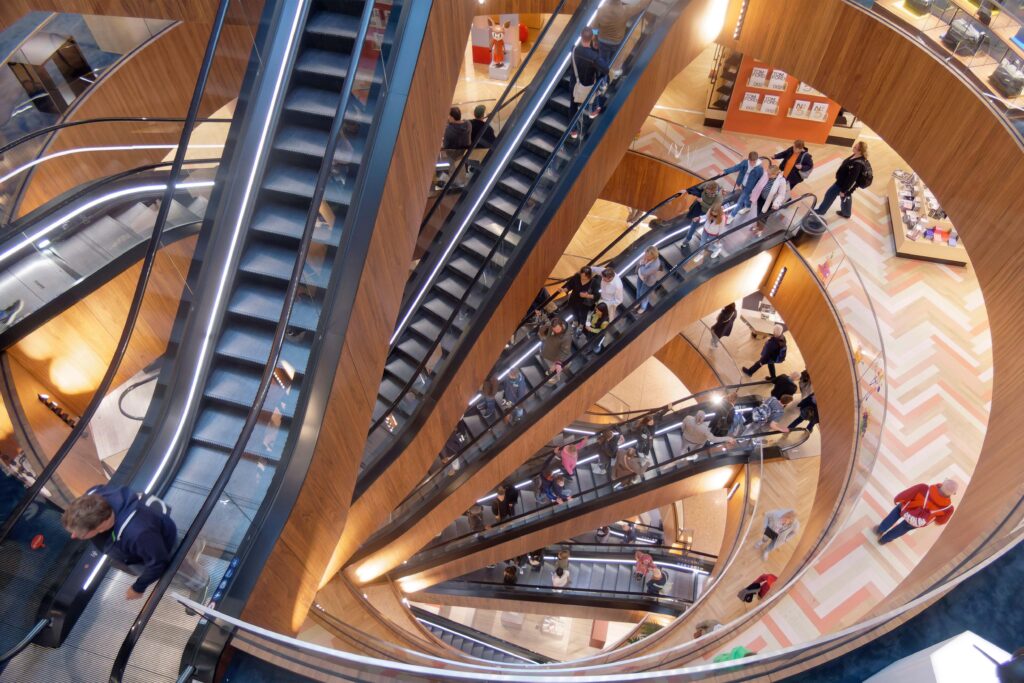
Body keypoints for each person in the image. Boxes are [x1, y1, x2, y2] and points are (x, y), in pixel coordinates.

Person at [61, 485, 209, 601]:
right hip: (151, 538)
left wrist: (138, 588)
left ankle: (200, 583)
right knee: (170, 549)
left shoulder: (137, 533)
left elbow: (158, 563)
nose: (73, 536)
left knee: (178, 569)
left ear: (102, 524)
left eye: (81, 534)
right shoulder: (94, 495)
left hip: (159, 546)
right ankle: (193, 546)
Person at [875, 479, 958, 544]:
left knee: (896, 513)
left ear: (942, 483)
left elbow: (906, 494)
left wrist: (897, 499)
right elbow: (940, 521)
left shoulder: (923, 488)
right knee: (903, 529)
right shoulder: (948, 509)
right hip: (917, 521)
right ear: (954, 493)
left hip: (906, 509)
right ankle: (884, 540)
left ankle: (880, 529)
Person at [568, 28, 609, 139]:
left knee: (573, 106)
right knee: (596, 89)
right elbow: (606, 69)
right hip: (588, 85)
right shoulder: (594, 56)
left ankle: (573, 131)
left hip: (575, 84)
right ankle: (593, 110)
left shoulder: (574, 50)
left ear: (581, 37)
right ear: (591, 38)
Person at [815, 140, 871, 218]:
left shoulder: (857, 165)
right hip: (842, 182)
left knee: (829, 194)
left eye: (855, 147)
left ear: (859, 151)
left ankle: (821, 211)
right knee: (846, 197)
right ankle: (847, 213)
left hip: (842, 184)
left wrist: (843, 190)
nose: (853, 147)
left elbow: (851, 179)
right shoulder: (855, 155)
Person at [592, 0, 652, 65]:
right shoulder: (625, 10)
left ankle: (602, 70)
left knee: (603, 59)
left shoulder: (601, 10)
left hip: (602, 41)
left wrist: (595, 39)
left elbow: (594, 27)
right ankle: (613, 67)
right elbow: (640, 6)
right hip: (616, 42)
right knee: (616, 58)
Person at [725, 152, 765, 218]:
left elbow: (760, 180)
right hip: (743, 184)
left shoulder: (759, 169)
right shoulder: (745, 162)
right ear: (748, 159)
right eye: (751, 162)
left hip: (749, 188)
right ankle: (748, 207)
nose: (752, 164)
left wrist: (754, 190)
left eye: (754, 162)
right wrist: (725, 171)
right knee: (746, 198)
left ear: (757, 160)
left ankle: (732, 215)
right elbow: (736, 167)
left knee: (740, 201)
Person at [754, 165, 790, 229]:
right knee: (758, 212)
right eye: (767, 173)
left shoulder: (781, 181)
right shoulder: (766, 175)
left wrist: (776, 203)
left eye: (770, 174)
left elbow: (781, 194)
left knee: (763, 216)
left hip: (769, 202)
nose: (768, 175)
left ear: (775, 174)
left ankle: (760, 229)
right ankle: (757, 225)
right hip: (761, 198)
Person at [539, 317, 572, 385]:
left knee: (556, 369)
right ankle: (553, 373)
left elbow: (564, 351)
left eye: (557, 329)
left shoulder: (567, 337)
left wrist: (558, 362)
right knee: (551, 366)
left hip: (556, 357)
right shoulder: (551, 326)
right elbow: (541, 333)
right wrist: (546, 325)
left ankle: (556, 379)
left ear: (562, 325)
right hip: (548, 352)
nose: (555, 331)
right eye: (554, 330)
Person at [635, 246, 662, 311]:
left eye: (647, 256)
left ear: (653, 256)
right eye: (645, 254)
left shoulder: (656, 264)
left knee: (643, 295)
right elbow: (639, 263)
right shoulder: (646, 255)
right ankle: (638, 302)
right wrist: (637, 270)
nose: (645, 256)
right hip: (640, 277)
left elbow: (644, 272)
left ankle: (643, 307)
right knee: (638, 290)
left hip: (647, 282)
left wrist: (642, 264)